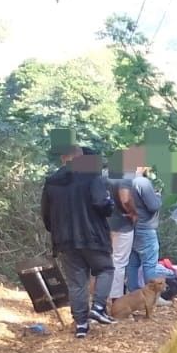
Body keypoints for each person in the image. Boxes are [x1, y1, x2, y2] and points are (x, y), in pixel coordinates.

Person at [40, 145, 116, 338]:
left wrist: (56, 229)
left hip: (64, 240)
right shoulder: (92, 177)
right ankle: (98, 306)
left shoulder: (51, 182)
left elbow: (46, 216)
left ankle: (81, 324)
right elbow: (101, 204)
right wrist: (109, 206)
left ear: (63, 158)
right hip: (92, 237)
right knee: (106, 269)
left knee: (76, 282)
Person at [125, 164, 166, 293]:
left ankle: (133, 293)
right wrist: (158, 196)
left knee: (132, 264)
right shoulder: (142, 182)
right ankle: (152, 294)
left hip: (131, 227)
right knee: (149, 264)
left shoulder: (125, 181)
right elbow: (153, 206)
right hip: (146, 228)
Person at [105, 166, 138, 303]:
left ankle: (101, 298)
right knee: (119, 262)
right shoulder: (126, 175)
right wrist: (133, 212)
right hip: (122, 224)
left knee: (107, 260)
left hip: (105, 223)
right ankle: (116, 299)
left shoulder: (105, 173)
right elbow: (125, 198)